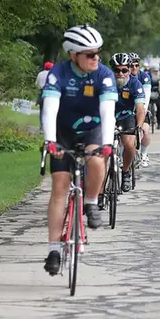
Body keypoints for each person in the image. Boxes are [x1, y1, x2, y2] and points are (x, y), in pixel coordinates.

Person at [41, 24, 116, 275]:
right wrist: (50, 140)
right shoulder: (58, 74)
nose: (96, 58)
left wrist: (107, 144)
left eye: (97, 53)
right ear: (73, 55)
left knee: (96, 162)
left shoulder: (104, 74)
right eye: (89, 54)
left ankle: (91, 202)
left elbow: (107, 111)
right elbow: (50, 107)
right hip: (63, 132)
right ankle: (53, 249)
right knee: (59, 186)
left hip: (92, 131)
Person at [110, 52, 146, 192]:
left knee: (130, 144)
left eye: (124, 70)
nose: (120, 73)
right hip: (108, 115)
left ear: (130, 70)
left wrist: (139, 126)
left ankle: (125, 172)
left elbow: (140, 108)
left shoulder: (135, 83)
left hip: (126, 116)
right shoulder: (106, 81)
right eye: (117, 70)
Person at [129, 53, 152, 168]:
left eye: (136, 65)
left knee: (145, 130)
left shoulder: (144, 77)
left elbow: (146, 96)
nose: (134, 68)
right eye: (131, 65)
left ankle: (144, 154)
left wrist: (143, 109)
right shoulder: (123, 76)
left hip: (141, 107)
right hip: (127, 108)